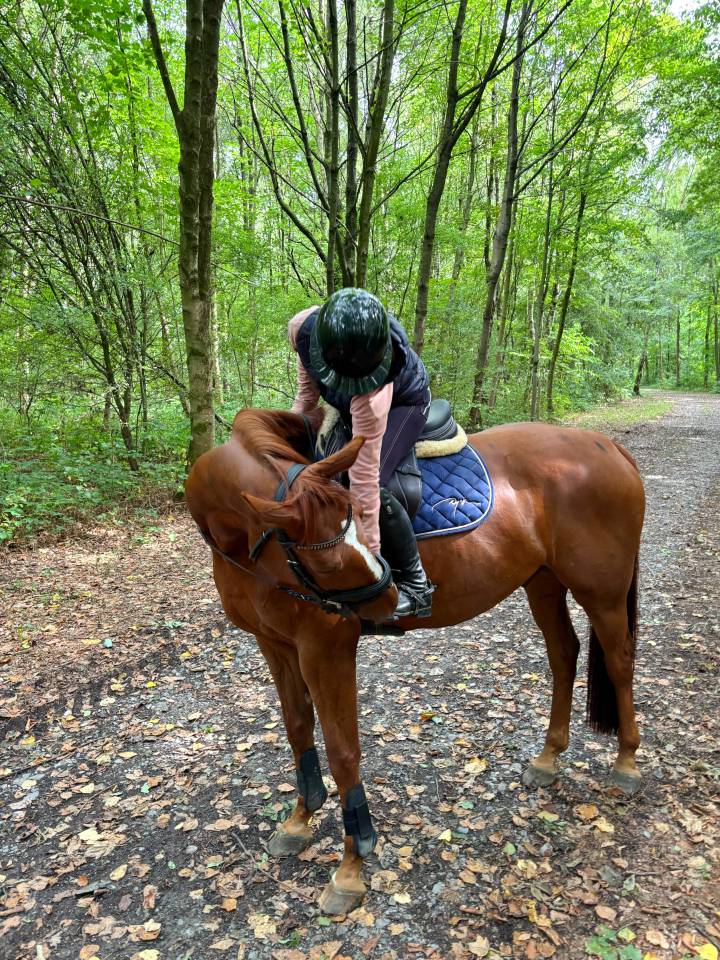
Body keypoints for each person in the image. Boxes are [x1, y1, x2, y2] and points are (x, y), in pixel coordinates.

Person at [288, 287, 433, 619]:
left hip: (403, 404)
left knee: (374, 483)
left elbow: (364, 482)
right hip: (352, 404)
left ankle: (417, 584)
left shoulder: (373, 392)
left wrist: (372, 561)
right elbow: (306, 393)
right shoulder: (302, 330)